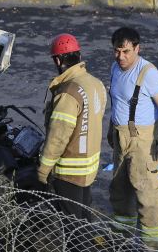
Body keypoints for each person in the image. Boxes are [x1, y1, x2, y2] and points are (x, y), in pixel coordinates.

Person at [107, 27, 158, 250]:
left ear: (137, 48)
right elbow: (118, 103)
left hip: (143, 141)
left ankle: (152, 250)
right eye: (117, 51)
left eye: (126, 51)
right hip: (121, 138)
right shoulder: (115, 69)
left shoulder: (149, 74)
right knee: (120, 188)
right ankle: (120, 238)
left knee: (147, 193)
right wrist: (112, 130)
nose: (121, 57)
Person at [38, 34, 107, 222]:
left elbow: (58, 137)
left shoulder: (68, 92)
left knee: (72, 228)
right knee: (84, 221)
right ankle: (88, 251)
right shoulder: (96, 84)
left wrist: (43, 170)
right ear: (78, 55)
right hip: (89, 168)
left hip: (69, 172)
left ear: (58, 60)